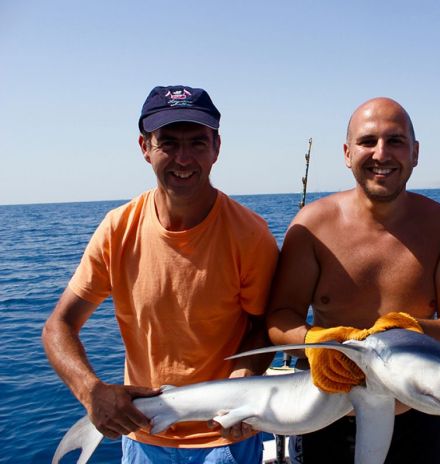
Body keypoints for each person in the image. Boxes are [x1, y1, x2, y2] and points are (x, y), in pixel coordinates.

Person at [43, 85, 278, 464]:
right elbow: (58, 326)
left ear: (216, 147)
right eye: (168, 143)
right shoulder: (117, 229)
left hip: (224, 436)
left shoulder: (250, 235)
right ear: (144, 147)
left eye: (197, 143)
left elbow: (264, 322)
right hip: (144, 434)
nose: (183, 158)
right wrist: (92, 393)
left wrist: (245, 378)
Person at [266, 97, 440, 463]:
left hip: (422, 418)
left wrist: (409, 330)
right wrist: (316, 343)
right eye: (367, 142)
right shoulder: (311, 226)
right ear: (347, 153)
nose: (381, 154)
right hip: (326, 417)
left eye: (395, 141)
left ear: (415, 152)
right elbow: (279, 320)